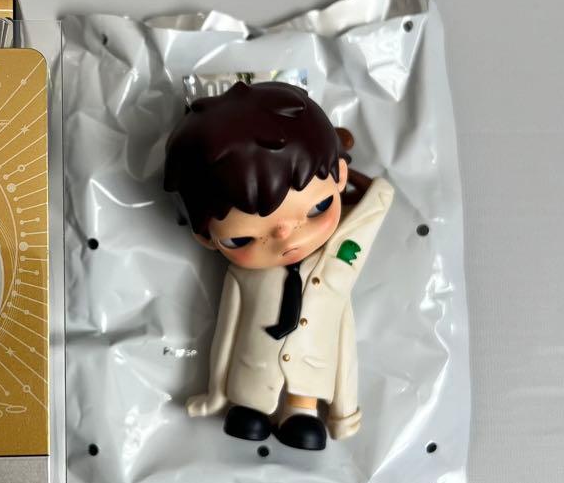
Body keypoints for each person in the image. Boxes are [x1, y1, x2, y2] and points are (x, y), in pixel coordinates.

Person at [164, 81, 393, 451]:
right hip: (248, 385)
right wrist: (217, 393)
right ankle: (251, 408)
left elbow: (344, 341)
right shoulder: (242, 277)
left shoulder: (333, 273)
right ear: (206, 238)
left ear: (339, 176)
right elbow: (225, 333)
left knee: (305, 427)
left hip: (311, 388)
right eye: (242, 239)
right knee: (246, 418)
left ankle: (301, 411)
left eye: (317, 208)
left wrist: (344, 411)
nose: (287, 239)